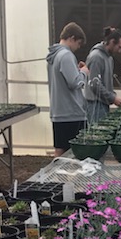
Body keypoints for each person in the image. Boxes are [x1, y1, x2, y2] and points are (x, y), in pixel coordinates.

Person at [46, 21, 89, 157]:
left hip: (59, 112)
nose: (78, 47)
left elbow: (63, 80)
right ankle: (76, 178)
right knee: (78, 151)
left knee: (60, 150)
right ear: (72, 38)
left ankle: (55, 177)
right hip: (71, 113)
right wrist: (84, 72)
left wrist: (76, 70)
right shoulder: (66, 55)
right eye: (78, 43)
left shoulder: (54, 56)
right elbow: (75, 83)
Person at [84, 27, 121, 123]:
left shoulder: (109, 58)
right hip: (94, 105)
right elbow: (95, 85)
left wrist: (113, 96)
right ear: (111, 42)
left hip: (103, 104)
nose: (120, 51)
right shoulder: (96, 57)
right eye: (119, 47)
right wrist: (113, 98)